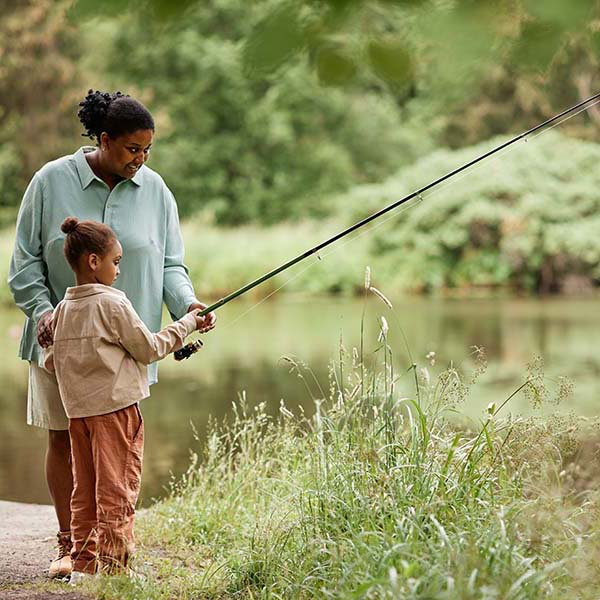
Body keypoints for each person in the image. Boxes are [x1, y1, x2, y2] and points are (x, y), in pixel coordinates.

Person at [8, 89, 216, 579]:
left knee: (113, 452)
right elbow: (23, 267)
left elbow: (170, 265)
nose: (140, 160)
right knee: (64, 439)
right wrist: (45, 316)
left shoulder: (156, 190)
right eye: (131, 150)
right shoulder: (50, 181)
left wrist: (187, 304)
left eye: (147, 151)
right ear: (104, 140)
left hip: (124, 353)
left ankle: (110, 551)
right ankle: (70, 546)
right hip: (58, 349)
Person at [43, 217, 205, 581]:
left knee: (84, 490)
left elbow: (53, 362)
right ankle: (115, 572)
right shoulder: (113, 303)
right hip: (116, 414)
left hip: (79, 417)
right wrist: (189, 323)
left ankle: (84, 568)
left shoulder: (62, 311)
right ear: (93, 262)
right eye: (115, 261)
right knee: (117, 489)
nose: (118, 269)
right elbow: (149, 349)